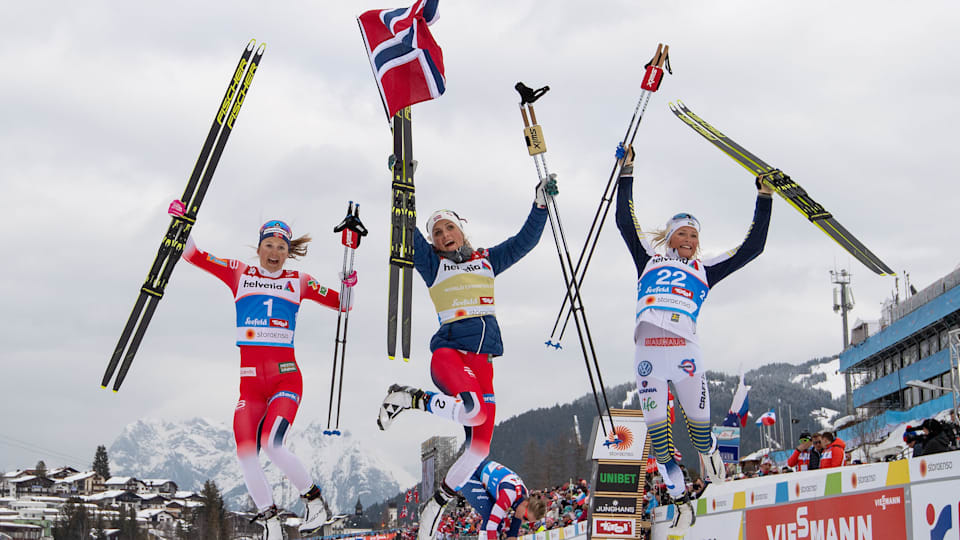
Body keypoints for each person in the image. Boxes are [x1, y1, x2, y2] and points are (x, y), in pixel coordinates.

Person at [376, 176, 556, 540]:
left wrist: (540, 204)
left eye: (449, 228)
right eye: (437, 232)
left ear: (461, 230)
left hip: (482, 364)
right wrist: (401, 188)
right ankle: (408, 398)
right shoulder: (432, 264)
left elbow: (525, 242)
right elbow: (405, 229)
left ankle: (436, 507)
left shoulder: (487, 260)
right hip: (449, 354)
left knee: (479, 448)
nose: (444, 236)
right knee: (472, 409)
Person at [613, 145, 772, 533]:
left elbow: (752, 248)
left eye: (693, 235)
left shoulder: (705, 268)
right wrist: (627, 170)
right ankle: (682, 502)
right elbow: (624, 221)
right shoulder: (648, 258)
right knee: (662, 445)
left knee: (700, 434)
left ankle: (712, 453)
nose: (688, 240)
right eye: (682, 234)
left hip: (685, 355)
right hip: (647, 355)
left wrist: (764, 198)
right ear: (669, 238)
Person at [173, 204, 349, 539]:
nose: (275, 251)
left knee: (272, 443)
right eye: (269, 245)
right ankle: (270, 521)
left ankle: (314, 502)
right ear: (259, 249)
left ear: (288, 253)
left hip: (285, 378)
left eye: (282, 247)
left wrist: (349, 283)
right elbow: (193, 254)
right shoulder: (239, 273)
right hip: (250, 386)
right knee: (245, 454)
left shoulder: (300, 281)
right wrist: (182, 221)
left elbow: (345, 303)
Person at [459, 460, 547, 540]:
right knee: (491, 516)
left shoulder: (523, 502)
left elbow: (512, 534)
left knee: (501, 522)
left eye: (527, 521)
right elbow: (491, 526)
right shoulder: (509, 495)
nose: (523, 522)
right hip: (470, 473)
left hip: (483, 475)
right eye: (525, 518)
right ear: (526, 504)